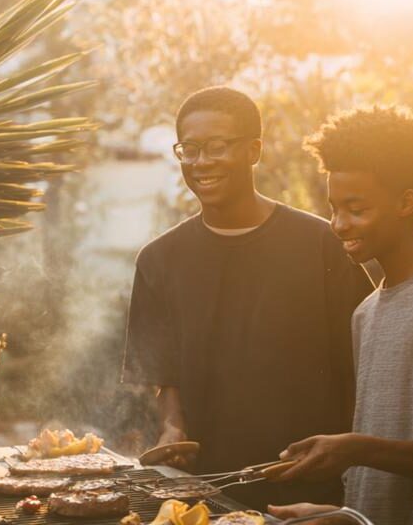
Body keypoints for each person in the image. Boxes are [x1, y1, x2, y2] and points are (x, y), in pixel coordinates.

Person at [122, 86, 372, 509]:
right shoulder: (159, 260)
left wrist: (347, 466)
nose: (201, 162)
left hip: (310, 492)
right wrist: (172, 429)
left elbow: (361, 369)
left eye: (217, 147)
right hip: (204, 494)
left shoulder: (321, 244)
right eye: (190, 149)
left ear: (254, 149)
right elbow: (166, 377)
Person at [268, 106, 413, 525]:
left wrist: (353, 449)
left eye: (356, 209)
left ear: (406, 202)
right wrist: (342, 513)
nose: (338, 224)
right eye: (334, 208)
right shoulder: (366, 313)